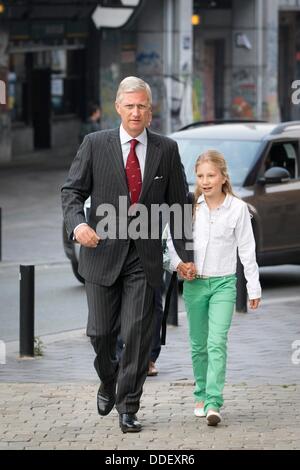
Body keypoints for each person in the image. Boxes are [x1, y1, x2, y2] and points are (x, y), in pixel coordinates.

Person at [61, 76, 193, 433]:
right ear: (118, 108)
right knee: (100, 334)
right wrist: (78, 226)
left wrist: (185, 255)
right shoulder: (94, 144)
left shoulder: (166, 149)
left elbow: (180, 204)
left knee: (137, 335)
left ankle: (128, 406)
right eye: (130, 105)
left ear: (151, 112)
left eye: (143, 106)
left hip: (145, 259)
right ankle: (108, 378)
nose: (136, 112)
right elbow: (71, 192)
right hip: (102, 253)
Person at [167, 149, 261, 426]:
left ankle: (213, 401)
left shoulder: (238, 209)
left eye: (211, 175)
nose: (205, 181)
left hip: (223, 284)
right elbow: (171, 242)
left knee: (216, 342)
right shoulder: (189, 208)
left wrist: (253, 287)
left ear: (223, 177)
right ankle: (201, 392)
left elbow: (247, 249)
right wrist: (179, 265)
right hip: (195, 285)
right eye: (200, 176)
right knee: (198, 345)